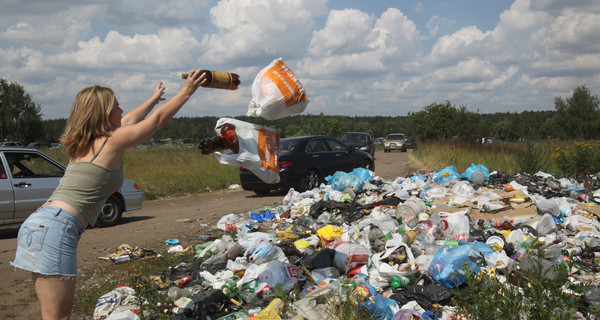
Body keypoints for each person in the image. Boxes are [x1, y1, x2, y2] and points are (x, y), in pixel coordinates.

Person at [11, 69, 207, 320]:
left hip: (40, 224)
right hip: (58, 228)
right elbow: (155, 122)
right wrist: (186, 92)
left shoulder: (83, 142)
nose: (122, 110)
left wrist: (152, 99)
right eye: (116, 106)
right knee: (58, 317)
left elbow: (130, 120)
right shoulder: (111, 141)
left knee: (51, 314)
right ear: (103, 114)